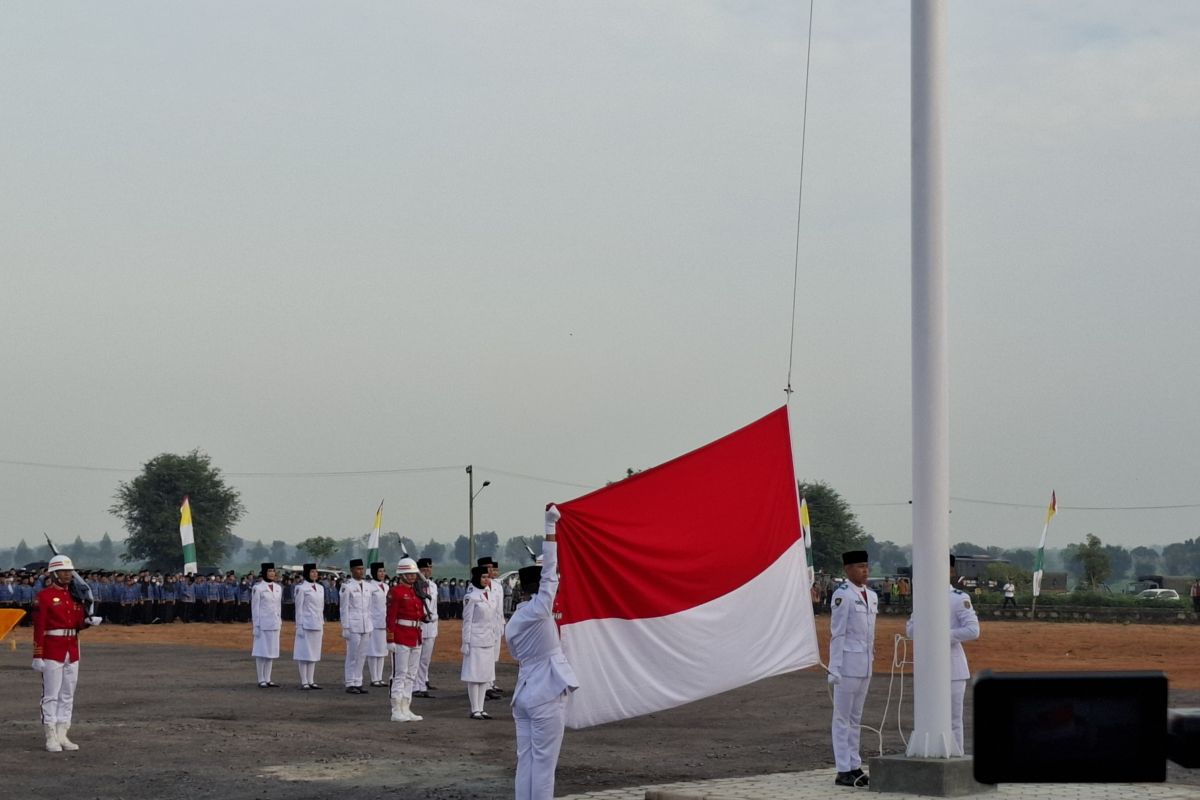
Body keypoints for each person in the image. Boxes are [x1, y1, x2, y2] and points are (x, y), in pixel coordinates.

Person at [505, 504, 579, 800]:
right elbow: (551, 573)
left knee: (527, 762)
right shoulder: (538, 611)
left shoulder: (513, 622)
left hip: (523, 694)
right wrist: (550, 528)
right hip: (545, 694)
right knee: (545, 767)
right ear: (538, 591)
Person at [906, 554, 980, 755]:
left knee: (953, 719)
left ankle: (956, 758)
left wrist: (941, 635)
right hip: (928, 666)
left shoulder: (959, 598)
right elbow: (910, 630)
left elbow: (973, 630)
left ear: (951, 571)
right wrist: (924, 631)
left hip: (952, 667)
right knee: (927, 716)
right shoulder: (922, 597)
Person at [32, 553, 101, 752]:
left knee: (67, 694)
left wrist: (88, 622)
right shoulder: (43, 597)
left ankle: (63, 733)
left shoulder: (74, 595)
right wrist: (38, 654)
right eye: (63, 571)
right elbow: (39, 627)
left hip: (72, 647)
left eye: (69, 571)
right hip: (52, 648)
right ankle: (50, 735)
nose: (68, 575)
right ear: (53, 574)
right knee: (51, 694)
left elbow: (77, 622)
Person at [828, 550, 877, 788]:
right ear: (847, 569)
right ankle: (842, 769)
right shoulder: (843, 595)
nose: (864, 571)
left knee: (856, 719)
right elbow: (837, 633)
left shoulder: (872, 596)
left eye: (866, 566)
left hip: (865, 664)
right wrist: (834, 667)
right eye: (859, 566)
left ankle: (855, 765)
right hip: (846, 664)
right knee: (842, 718)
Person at [386, 558, 426, 722]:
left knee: (411, 674)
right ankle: (396, 709)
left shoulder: (415, 592)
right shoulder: (395, 592)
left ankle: (406, 707)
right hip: (401, 635)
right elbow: (391, 616)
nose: (412, 577)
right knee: (400, 673)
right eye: (408, 574)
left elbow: (419, 612)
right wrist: (390, 638)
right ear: (401, 575)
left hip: (415, 635)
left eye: (413, 574)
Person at [461, 564, 498, 719]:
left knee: (485, 676)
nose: (486, 580)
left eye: (487, 577)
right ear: (476, 578)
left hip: (489, 639)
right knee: (474, 675)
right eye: (483, 577)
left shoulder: (491, 594)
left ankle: (481, 708)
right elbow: (467, 621)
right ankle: (474, 708)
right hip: (475, 640)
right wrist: (465, 642)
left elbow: (494, 618)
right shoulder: (471, 597)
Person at [340, 559, 372, 694]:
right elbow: (344, 608)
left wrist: (370, 624)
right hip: (353, 625)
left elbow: (370, 607)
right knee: (352, 655)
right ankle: (350, 682)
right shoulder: (346, 586)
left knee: (362, 655)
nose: (361, 571)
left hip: (366, 624)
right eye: (358, 569)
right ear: (352, 570)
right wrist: (345, 627)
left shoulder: (367, 585)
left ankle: (358, 681)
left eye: (362, 568)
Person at [293, 563, 326, 689]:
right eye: (312, 572)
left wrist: (322, 623)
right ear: (307, 573)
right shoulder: (301, 588)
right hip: (306, 624)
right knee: (304, 653)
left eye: (316, 572)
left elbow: (321, 608)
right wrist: (299, 625)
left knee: (314, 653)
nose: (315, 574)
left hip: (317, 624)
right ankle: (304, 681)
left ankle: (311, 680)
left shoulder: (320, 587)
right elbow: (299, 609)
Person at [250, 562, 282, 688]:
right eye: (269, 571)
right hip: (263, 623)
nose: (272, 573)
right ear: (264, 573)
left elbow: (278, 606)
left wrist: (279, 621)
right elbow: (255, 608)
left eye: (273, 571)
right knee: (261, 651)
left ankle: (268, 678)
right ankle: (261, 679)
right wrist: (256, 625)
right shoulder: (258, 588)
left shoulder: (278, 588)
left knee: (271, 652)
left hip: (274, 623)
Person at [413, 557, 440, 698]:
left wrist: (433, 617)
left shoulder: (433, 586)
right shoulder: (415, 585)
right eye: (425, 569)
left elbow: (433, 606)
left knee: (425, 659)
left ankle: (422, 684)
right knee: (416, 658)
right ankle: (414, 686)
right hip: (420, 625)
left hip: (431, 626)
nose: (428, 570)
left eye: (429, 568)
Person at [366, 562, 390, 688]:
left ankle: (379, 678)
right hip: (373, 622)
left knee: (382, 651)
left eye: (383, 571)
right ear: (374, 572)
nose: (382, 573)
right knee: (372, 650)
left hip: (384, 622)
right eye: (380, 571)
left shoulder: (386, 586)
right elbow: (367, 606)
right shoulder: (370, 587)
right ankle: (373, 678)